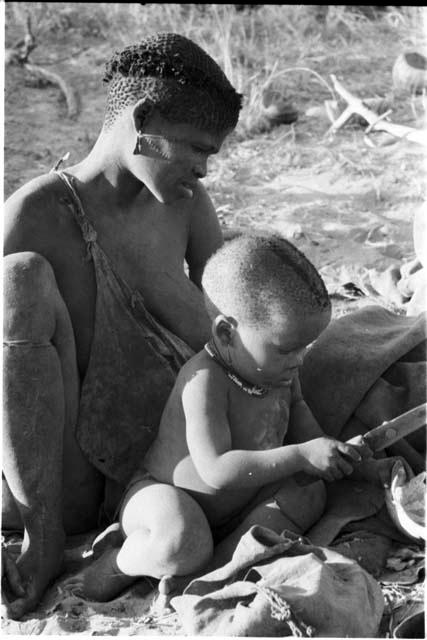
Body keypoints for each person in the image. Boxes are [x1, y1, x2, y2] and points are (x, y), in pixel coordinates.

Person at [2, 32, 242, 619]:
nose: (204, 170)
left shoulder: (183, 205)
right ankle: (47, 537)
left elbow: (237, 324)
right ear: (142, 120)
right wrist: (39, 520)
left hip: (167, 460)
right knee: (18, 279)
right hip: (67, 481)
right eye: (194, 149)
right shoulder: (35, 214)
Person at [63, 232, 372, 604]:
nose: (300, 359)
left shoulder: (277, 373)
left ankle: (220, 567)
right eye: (287, 349)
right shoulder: (205, 382)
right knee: (181, 536)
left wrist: (334, 456)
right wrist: (301, 455)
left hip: (240, 506)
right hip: (165, 497)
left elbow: (304, 424)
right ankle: (119, 563)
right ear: (227, 332)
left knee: (309, 493)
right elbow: (216, 470)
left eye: (305, 347)